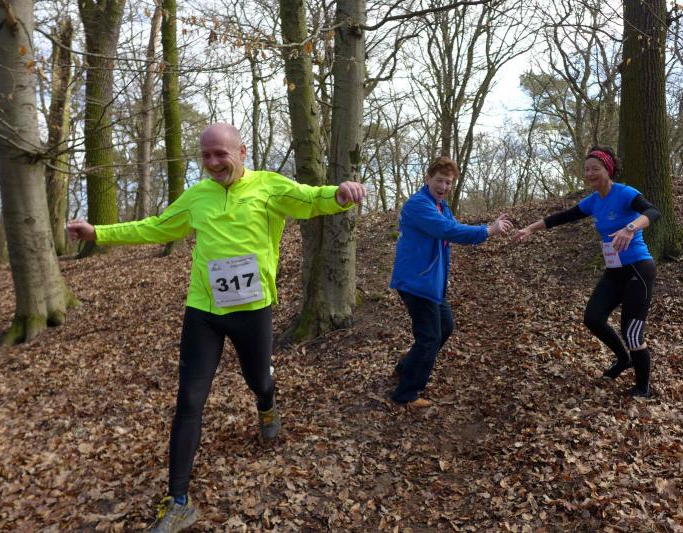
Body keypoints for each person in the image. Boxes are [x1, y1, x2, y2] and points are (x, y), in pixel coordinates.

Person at [66, 123, 366, 533]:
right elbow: (155, 226)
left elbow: (311, 199)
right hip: (203, 310)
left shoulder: (269, 187)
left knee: (258, 379)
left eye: (220, 154)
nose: (213, 162)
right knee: (189, 400)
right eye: (206, 156)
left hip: (252, 310)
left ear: (242, 152)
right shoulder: (197, 197)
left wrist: (340, 194)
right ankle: (178, 502)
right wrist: (99, 232)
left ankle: (267, 403)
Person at [513, 146, 660, 398]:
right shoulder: (593, 201)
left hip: (638, 268)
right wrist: (530, 229)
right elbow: (563, 216)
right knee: (593, 318)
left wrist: (631, 228)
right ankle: (623, 359)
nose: (590, 173)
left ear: (608, 170)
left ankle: (642, 387)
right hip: (614, 270)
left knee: (632, 332)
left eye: (596, 169)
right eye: (587, 169)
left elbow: (653, 212)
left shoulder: (625, 193)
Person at [389, 156, 513, 408]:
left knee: (445, 327)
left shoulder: (440, 206)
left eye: (448, 182)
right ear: (427, 178)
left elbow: (455, 227)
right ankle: (406, 394)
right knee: (430, 337)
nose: (444, 186)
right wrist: (488, 230)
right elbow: (447, 231)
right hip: (416, 281)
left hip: (432, 282)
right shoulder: (419, 205)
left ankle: (406, 368)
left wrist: (485, 228)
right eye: (439, 180)